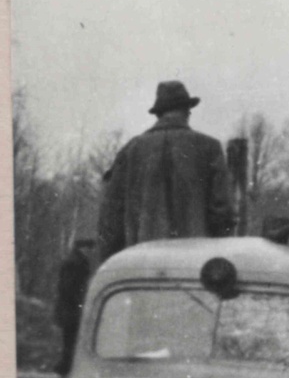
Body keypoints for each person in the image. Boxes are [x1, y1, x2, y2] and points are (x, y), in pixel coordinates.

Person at [97, 81, 235, 262]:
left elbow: (111, 222)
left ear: (159, 114)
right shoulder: (210, 148)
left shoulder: (130, 151)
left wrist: (112, 265)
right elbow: (222, 215)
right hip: (195, 268)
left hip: (141, 268)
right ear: (187, 111)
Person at [53, 239, 97, 378]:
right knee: (72, 340)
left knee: (71, 340)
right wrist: (80, 303)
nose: (91, 252)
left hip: (69, 310)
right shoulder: (76, 263)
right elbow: (68, 288)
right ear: (83, 248)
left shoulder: (75, 261)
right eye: (90, 249)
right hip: (71, 310)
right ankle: (64, 369)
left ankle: (65, 369)